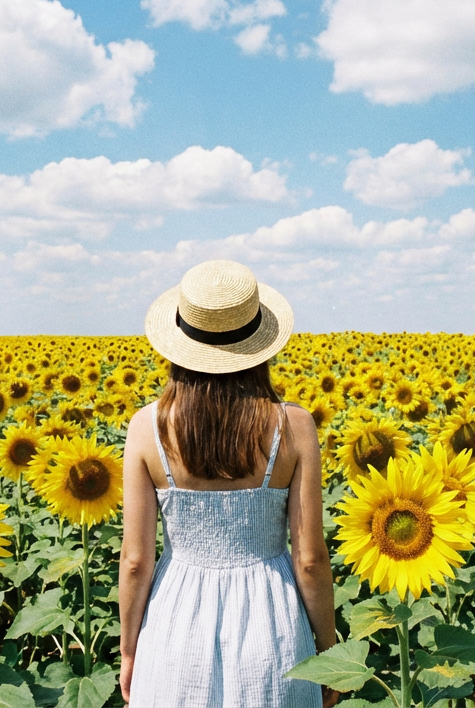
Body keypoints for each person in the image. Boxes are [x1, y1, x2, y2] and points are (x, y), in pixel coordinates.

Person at [118, 259, 338, 708]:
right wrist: (330, 651)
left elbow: (136, 561)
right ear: (261, 345)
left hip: (175, 622)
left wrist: (128, 649)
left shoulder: (146, 427)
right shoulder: (293, 426)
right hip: (272, 621)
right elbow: (311, 559)